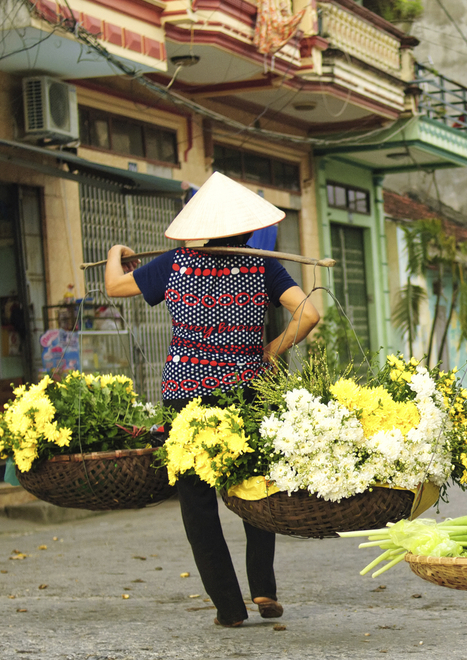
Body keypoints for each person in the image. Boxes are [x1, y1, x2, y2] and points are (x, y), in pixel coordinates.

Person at [104, 172, 320, 628]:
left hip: (188, 396)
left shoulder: (176, 263)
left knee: (197, 499)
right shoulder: (263, 264)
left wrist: (115, 256)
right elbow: (309, 312)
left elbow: (115, 288)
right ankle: (263, 586)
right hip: (247, 391)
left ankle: (228, 606)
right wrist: (271, 350)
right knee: (255, 485)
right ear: (247, 227)